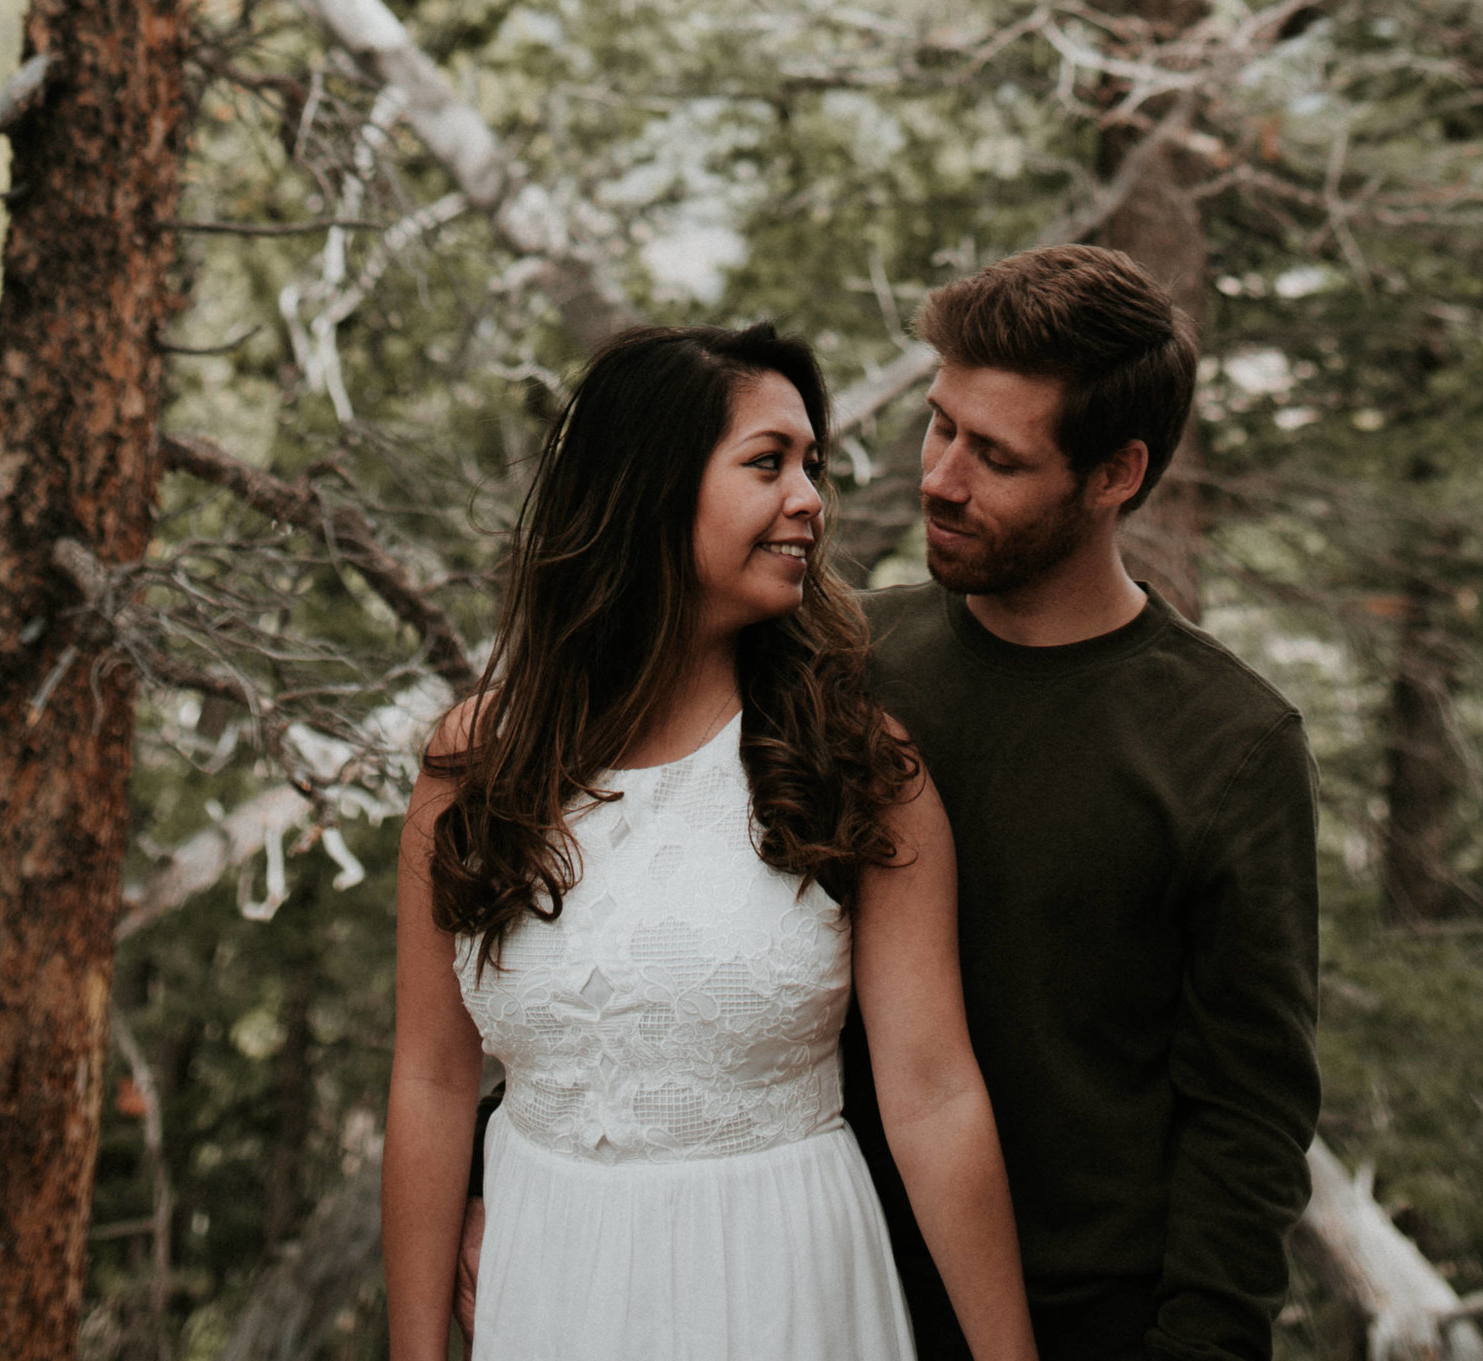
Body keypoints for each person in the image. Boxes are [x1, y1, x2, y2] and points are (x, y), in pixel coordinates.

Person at [381, 320, 1041, 1361]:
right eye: (767, 462)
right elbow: (428, 1079)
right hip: (550, 1286)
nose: (811, 499)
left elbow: (934, 1092)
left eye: (811, 465)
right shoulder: (477, 765)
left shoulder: (851, 762)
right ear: (650, 486)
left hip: (783, 1287)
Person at [849, 246, 1321, 1361]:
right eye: (940, 425)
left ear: (1114, 474)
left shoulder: (1231, 744)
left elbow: (1248, 1115)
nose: (939, 477)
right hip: (823, 1288)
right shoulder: (847, 659)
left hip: (1084, 1326)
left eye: (995, 456)